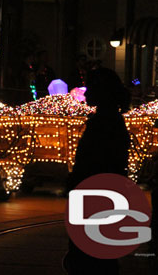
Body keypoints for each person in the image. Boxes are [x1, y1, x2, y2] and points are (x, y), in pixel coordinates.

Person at [64, 67, 130, 274]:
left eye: (91, 87)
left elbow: (91, 161)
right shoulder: (112, 121)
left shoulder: (103, 123)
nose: (87, 92)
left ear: (102, 92)